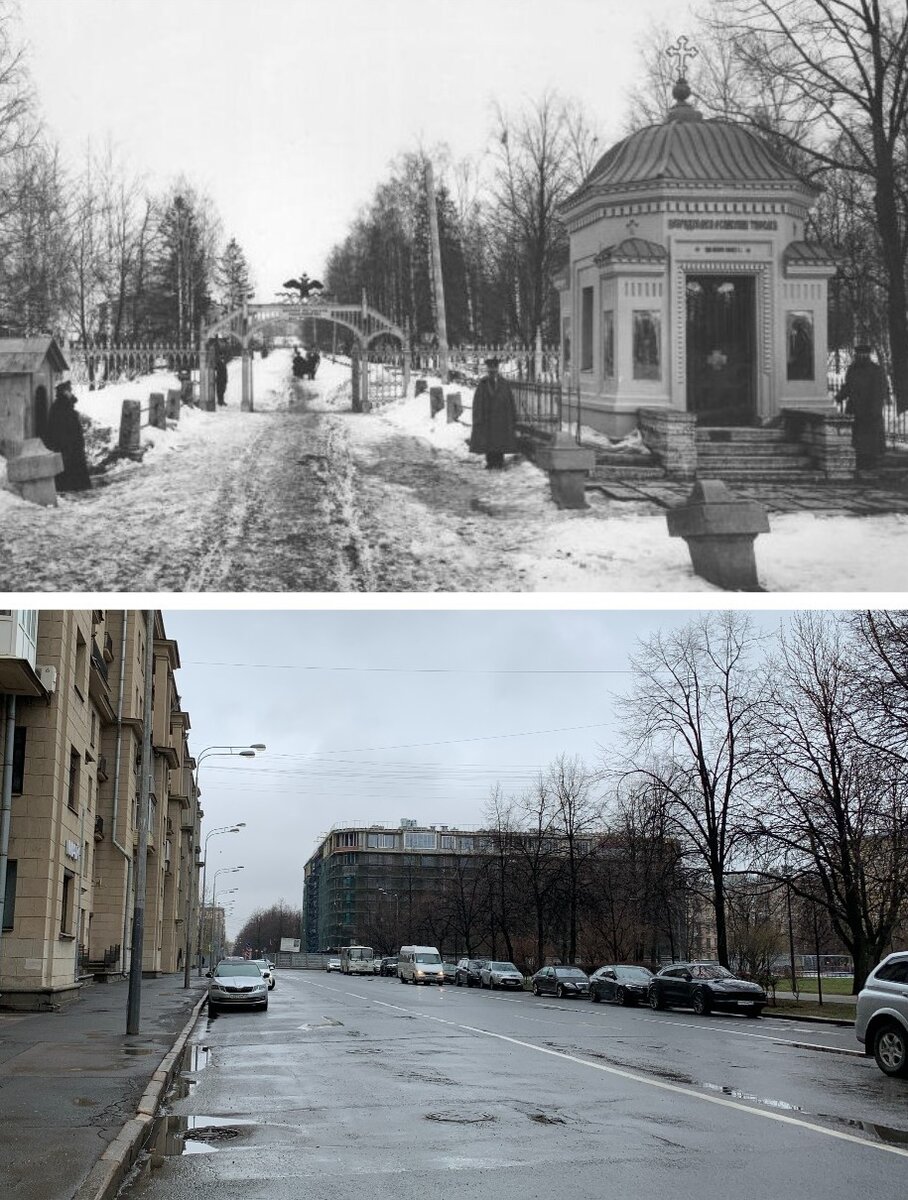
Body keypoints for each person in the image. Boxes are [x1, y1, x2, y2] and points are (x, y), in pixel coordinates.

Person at [836, 344, 888, 470]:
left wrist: (874, 411)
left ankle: (870, 466)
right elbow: (848, 386)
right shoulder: (852, 369)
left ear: (868, 355)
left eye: (864, 354)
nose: (861, 357)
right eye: (859, 354)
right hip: (854, 410)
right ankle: (860, 465)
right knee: (857, 441)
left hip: (869, 412)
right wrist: (839, 396)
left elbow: (879, 392)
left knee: (870, 443)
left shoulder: (876, 370)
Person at [469, 357, 518, 469]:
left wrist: (512, 417)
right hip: (487, 418)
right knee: (488, 442)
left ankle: (499, 462)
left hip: (501, 418)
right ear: (488, 369)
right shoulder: (483, 383)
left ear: (498, 368)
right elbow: (477, 402)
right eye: (490, 368)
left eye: (494, 367)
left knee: (500, 441)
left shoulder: (504, 384)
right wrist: (478, 417)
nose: (492, 370)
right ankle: (490, 462)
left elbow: (510, 401)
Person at [43, 379, 91, 492]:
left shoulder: (66, 404)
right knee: (68, 464)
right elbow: (59, 426)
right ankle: (70, 486)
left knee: (73, 463)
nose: (71, 392)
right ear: (64, 392)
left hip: (72, 442)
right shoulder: (60, 406)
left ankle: (76, 485)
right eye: (69, 390)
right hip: (65, 443)